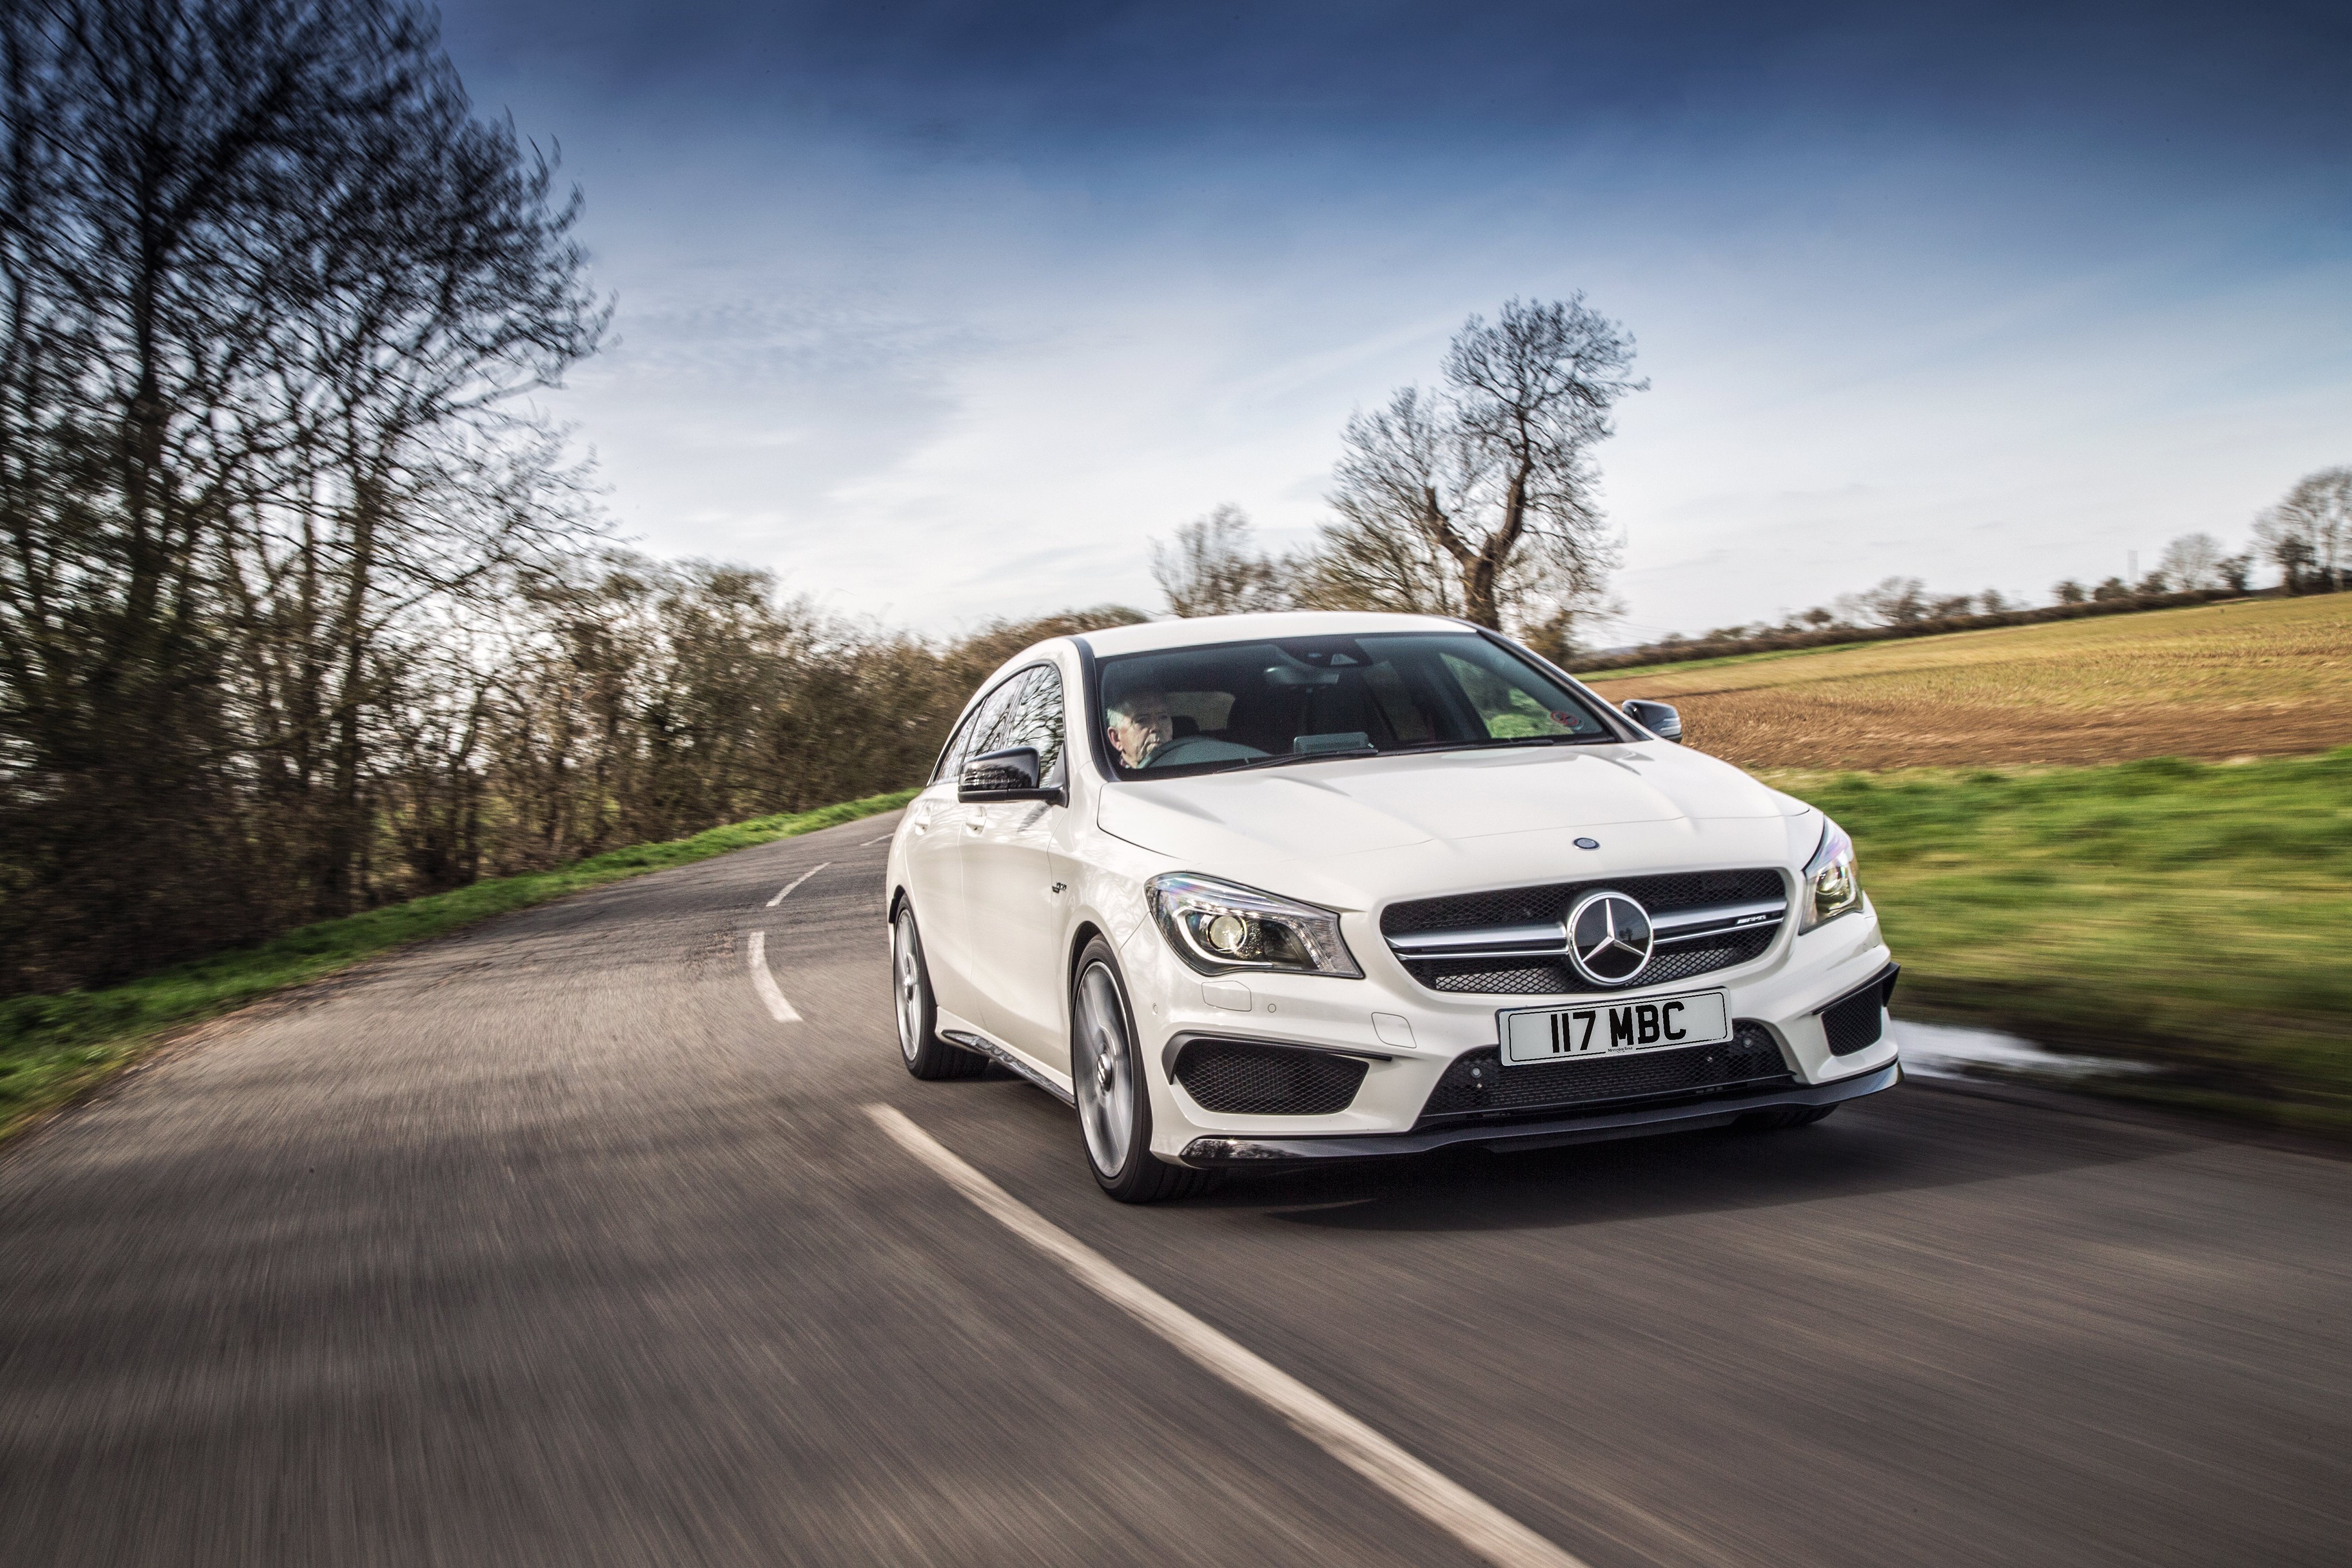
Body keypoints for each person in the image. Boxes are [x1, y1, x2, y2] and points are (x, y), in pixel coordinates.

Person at [1105, 687, 1175, 769]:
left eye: (1163, 717)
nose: (1156, 727)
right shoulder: (1106, 774)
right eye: (1142, 720)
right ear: (1116, 738)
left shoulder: (1184, 764)